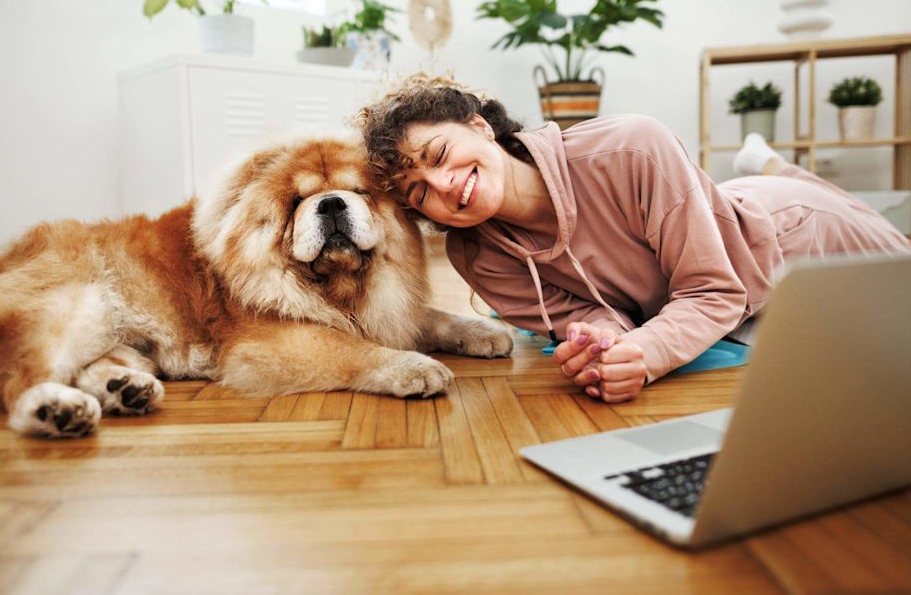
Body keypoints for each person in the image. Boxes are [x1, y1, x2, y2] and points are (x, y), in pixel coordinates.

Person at [356, 74, 911, 403]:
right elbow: (591, 315)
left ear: (479, 127)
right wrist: (599, 347)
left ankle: (775, 169)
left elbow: (716, 291)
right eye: (419, 193)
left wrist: (646, 353)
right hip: (718, 214)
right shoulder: (477, 255)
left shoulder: (632, 146)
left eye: (440, 156)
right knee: (728, 197)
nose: (444, 186)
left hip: (795, 233)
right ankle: (768, 164)